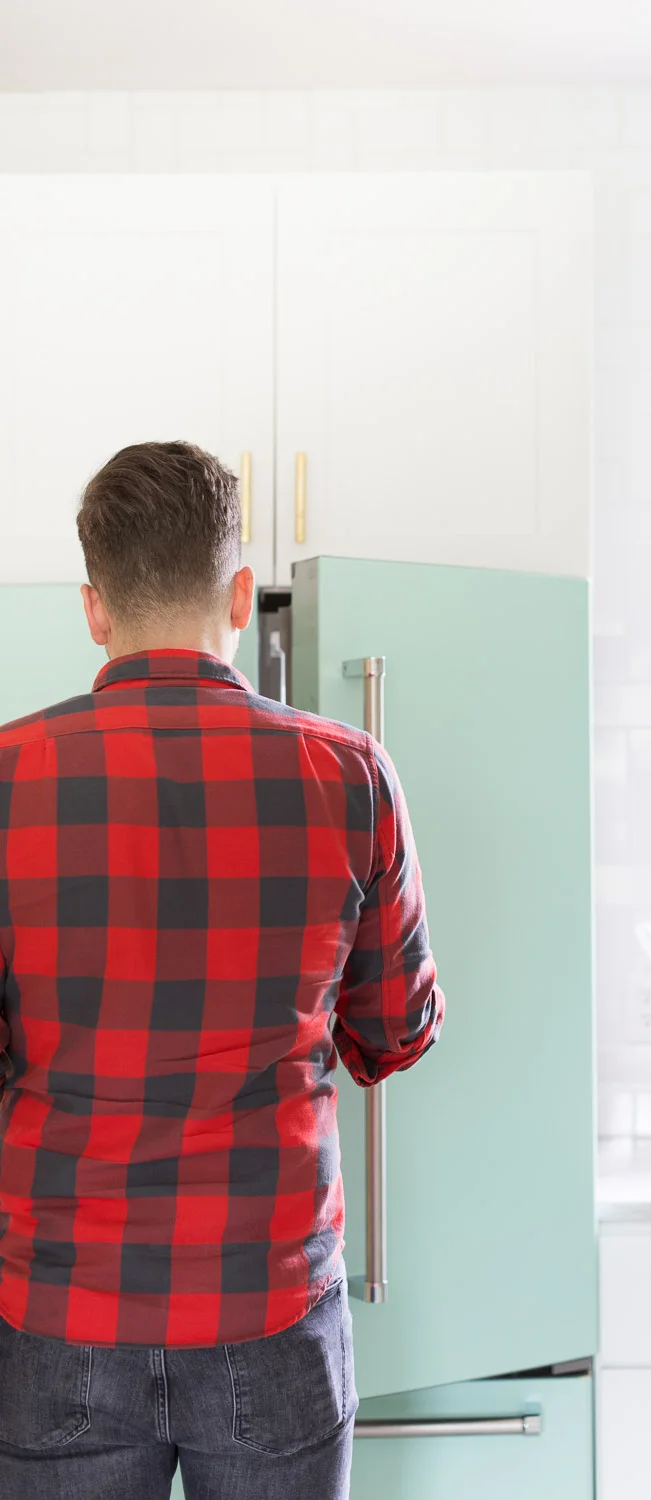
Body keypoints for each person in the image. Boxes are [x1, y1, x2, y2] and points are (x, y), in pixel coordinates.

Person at [0, 441, 444, 1499]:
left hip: (59, 1312)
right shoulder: (350, 774)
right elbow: (396, 1032)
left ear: (95, 609)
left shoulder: (9, 778)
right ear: (241, 595)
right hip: (272, 1308)